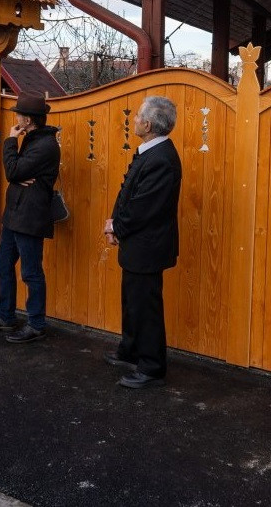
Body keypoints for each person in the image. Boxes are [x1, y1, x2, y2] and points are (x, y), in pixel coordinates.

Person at [103, 95, 181, 389]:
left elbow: (142, 207)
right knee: (132, 301)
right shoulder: (150, 152)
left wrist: (118, 227)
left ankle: (151, 367)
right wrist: (114, 224)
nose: (134, 120)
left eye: (137, 116)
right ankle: (131, 350)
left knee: (146, 307)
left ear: (147, 125)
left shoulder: (161, 159)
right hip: (138, 244)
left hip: (148, 246)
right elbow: (127, 192)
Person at [0, 92, 60, 343]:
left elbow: (12, 171)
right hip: (15, 214)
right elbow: (16, 174)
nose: (16, 119)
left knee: (31, 272)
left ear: (28, 120)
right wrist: (17, 175)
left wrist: (11, 141)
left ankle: (36, 324)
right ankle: (5, 316)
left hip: (29, 217)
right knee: (3, 263)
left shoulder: (45, 145)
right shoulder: (33, 140)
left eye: (19, 115)